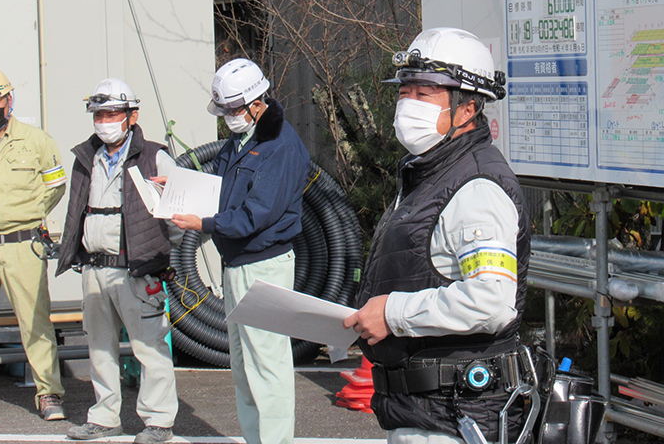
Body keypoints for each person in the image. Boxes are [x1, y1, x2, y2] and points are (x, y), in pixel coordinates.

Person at [343, 28, 532, 444]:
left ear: (466, 109)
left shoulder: (476, 185)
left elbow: (491, 301)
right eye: (403, 92)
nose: (408, 104)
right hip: (426, 413)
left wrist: (393, 313)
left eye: (424, 93)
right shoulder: (430, 173)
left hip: (454, 418)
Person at [171, 58, 310, 444]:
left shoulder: (280, 147)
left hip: (264, 266)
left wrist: (204, 225)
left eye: (233, 109)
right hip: (238, 265)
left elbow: (255, 215)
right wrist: (177, 183)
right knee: (245, 364)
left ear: (256, 102)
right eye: (225, 110)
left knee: (267, 366)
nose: (229, 117)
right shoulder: (241, 141)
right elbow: (218, 187)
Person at [57, 79, 180, 444]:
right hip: (94, 268)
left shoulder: (155, 156)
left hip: (137, 270)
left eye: (112, 113)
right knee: (99, 346)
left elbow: (178, 215)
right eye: (99, 114)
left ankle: (158, 420)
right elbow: (76, 210)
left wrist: (159, 257)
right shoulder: (86, 158)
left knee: (149, 345)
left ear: (131, 116)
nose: (104, 120)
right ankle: (104, 417)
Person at [0, 66, 67, 421]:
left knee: (35, 321)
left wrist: (30, 214)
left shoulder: (36, 141)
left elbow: (56, 185)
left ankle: (49, 394)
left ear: (9, 100)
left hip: (23, 244)